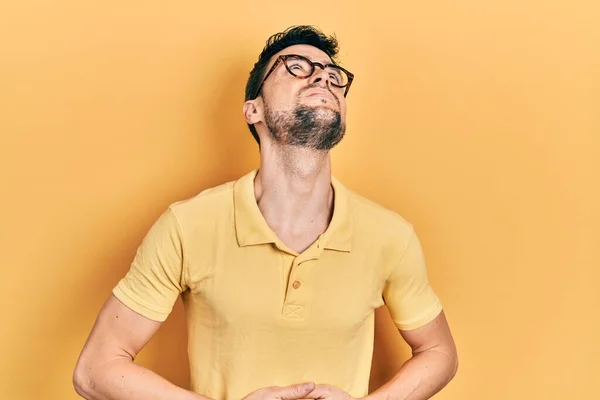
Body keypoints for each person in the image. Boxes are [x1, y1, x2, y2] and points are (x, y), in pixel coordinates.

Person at [73, 25, 458, 400]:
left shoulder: (390, 235)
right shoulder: (188, 226)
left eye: (332, 75)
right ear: (253, 109)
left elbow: (439, 352)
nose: (323, 78)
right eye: (297, 66)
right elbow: (95, 370)